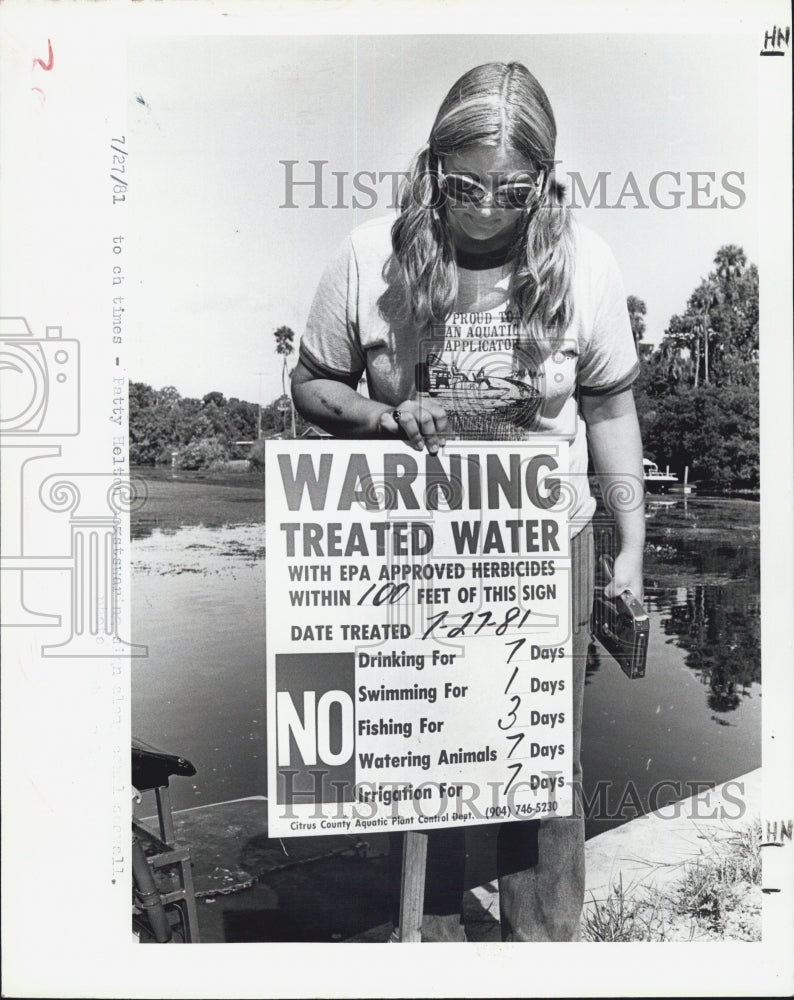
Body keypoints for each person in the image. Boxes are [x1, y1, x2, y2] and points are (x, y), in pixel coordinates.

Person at [292, 61, 645, 941]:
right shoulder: (369, 256)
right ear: (431, 168)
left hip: (542, 546)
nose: (487, 208)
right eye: (465, 187)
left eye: (514, 190)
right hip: (413, 540)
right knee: (425, 740)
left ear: (546, 183)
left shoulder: (586, 262)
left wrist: (629, 549)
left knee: (538, 754)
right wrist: (382, 414)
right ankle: (432, 938)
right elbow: (311, 386)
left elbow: (609, 408)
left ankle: (542, 945)